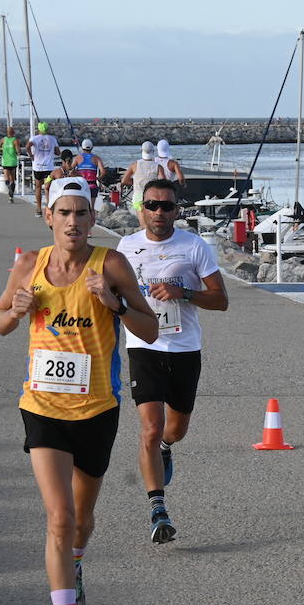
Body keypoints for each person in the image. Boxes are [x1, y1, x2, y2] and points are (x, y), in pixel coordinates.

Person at [0, 176, 158, 605]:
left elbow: (150, 329)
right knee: (59, 518)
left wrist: (115, 304)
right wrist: (15, 311)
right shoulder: (29, 264)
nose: (72, 222)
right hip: (41, 407)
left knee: (81, 521)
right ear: (48, 217)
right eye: (63, 213)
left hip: (97, 410)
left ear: (92, 218)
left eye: (81, 213)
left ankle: (75, 563)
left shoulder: (111, 265)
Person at [117, 178, 229, 543]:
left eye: (166, 206)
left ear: (177, 210)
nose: (159, 212)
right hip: (143, 345)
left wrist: (184, 292)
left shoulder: (194, 246)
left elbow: (221, 300)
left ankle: (166, 448)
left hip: (183, 348)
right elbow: (113, 294)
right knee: (150, 428)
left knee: (174, 430)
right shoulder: (126, 246)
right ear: (141, 208)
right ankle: (158, 509)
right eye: (152, 205)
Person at [120, 142, 162, 211]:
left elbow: (124, 181)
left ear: (142, 151)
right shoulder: (158, 166)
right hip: (152, 198)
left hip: (137, 199)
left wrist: (136, 182)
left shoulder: (134, 165)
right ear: (153, 152)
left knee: (139, 216)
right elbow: (163, 182)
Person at [28, 121, 60, 214]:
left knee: (38, 187)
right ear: (47, 128)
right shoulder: (52, 139)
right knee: (48, 187)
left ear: (39, 128)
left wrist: (31, 155)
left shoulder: (34, 138)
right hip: (48, 167)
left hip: (38, 167)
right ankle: (49, 207)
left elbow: (27, 146)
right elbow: (58, 152)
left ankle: (38, 208)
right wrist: (51, 151)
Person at [73, 138, 106, 206]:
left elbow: (70, 170)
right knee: (91, 207)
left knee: (82, 208)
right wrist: (98, 178)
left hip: (81, 186)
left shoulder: (77, 158)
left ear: (82, 147)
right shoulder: (97, 158)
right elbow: (103, 172)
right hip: (92, 186)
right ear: (92, 147)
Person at [0, 126, 21, 203]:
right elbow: (18, 151)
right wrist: (18, 151)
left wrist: (2, 151)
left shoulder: (3, 140)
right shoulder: (15, 140)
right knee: (12, 179)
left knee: (6, 178)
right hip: (13, 161)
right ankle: (11, 196)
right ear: (13, 132)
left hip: (5, 161)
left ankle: (9, 191)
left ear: (7, 132)